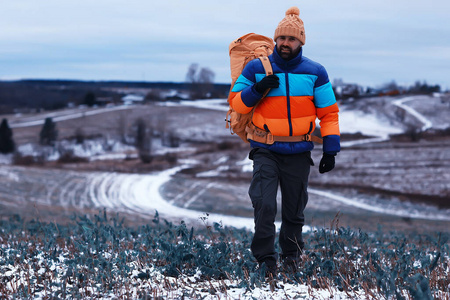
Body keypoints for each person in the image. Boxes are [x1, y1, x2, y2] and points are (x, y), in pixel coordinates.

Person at [228, 6, 340, 278]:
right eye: (281, 38)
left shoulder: (316, 72)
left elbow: (329, 113)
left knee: (294, 210)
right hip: (265, 148)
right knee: (264, 204)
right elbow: (235, 103)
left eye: (291, 39)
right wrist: (258, 89)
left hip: (300, 151)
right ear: (275, 39)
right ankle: (266, 260)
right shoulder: (256, 68)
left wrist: (331, 149)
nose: (285, 43)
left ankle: (291, 258)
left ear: (301, 41)